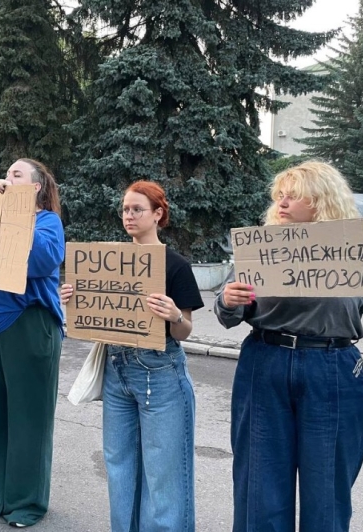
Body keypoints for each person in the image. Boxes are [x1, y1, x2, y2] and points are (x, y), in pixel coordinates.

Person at [215, 161, 363, 532]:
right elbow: (229, 315)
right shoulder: (261, 248)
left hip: (331, 368)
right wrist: (228, 301)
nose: (281, 203)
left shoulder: (358, 252)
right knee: (258, 490)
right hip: (264, 364)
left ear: (321, 201)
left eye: (293, 195)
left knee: (326, 495)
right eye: (279, 195)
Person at [60, 181, 204, 532]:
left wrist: (173, 316)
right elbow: (98, 317)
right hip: (116, 370)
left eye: (137, 209)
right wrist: (74, 298)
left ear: (158, 214)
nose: (129, 215)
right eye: (125, 209)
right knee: (119, 465)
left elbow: (185, 330)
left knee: (164, 473)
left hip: (161, 371)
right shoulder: (109, 262)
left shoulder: (175, 265)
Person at [0, 159, 65, 528]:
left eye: (16, 175)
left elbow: (41, 259)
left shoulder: (47, 222)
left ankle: (26, 500)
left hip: (29, 323)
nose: (7, 179)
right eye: (6, 174)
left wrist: (12, 211)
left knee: (28, 418)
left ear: (35, 187)